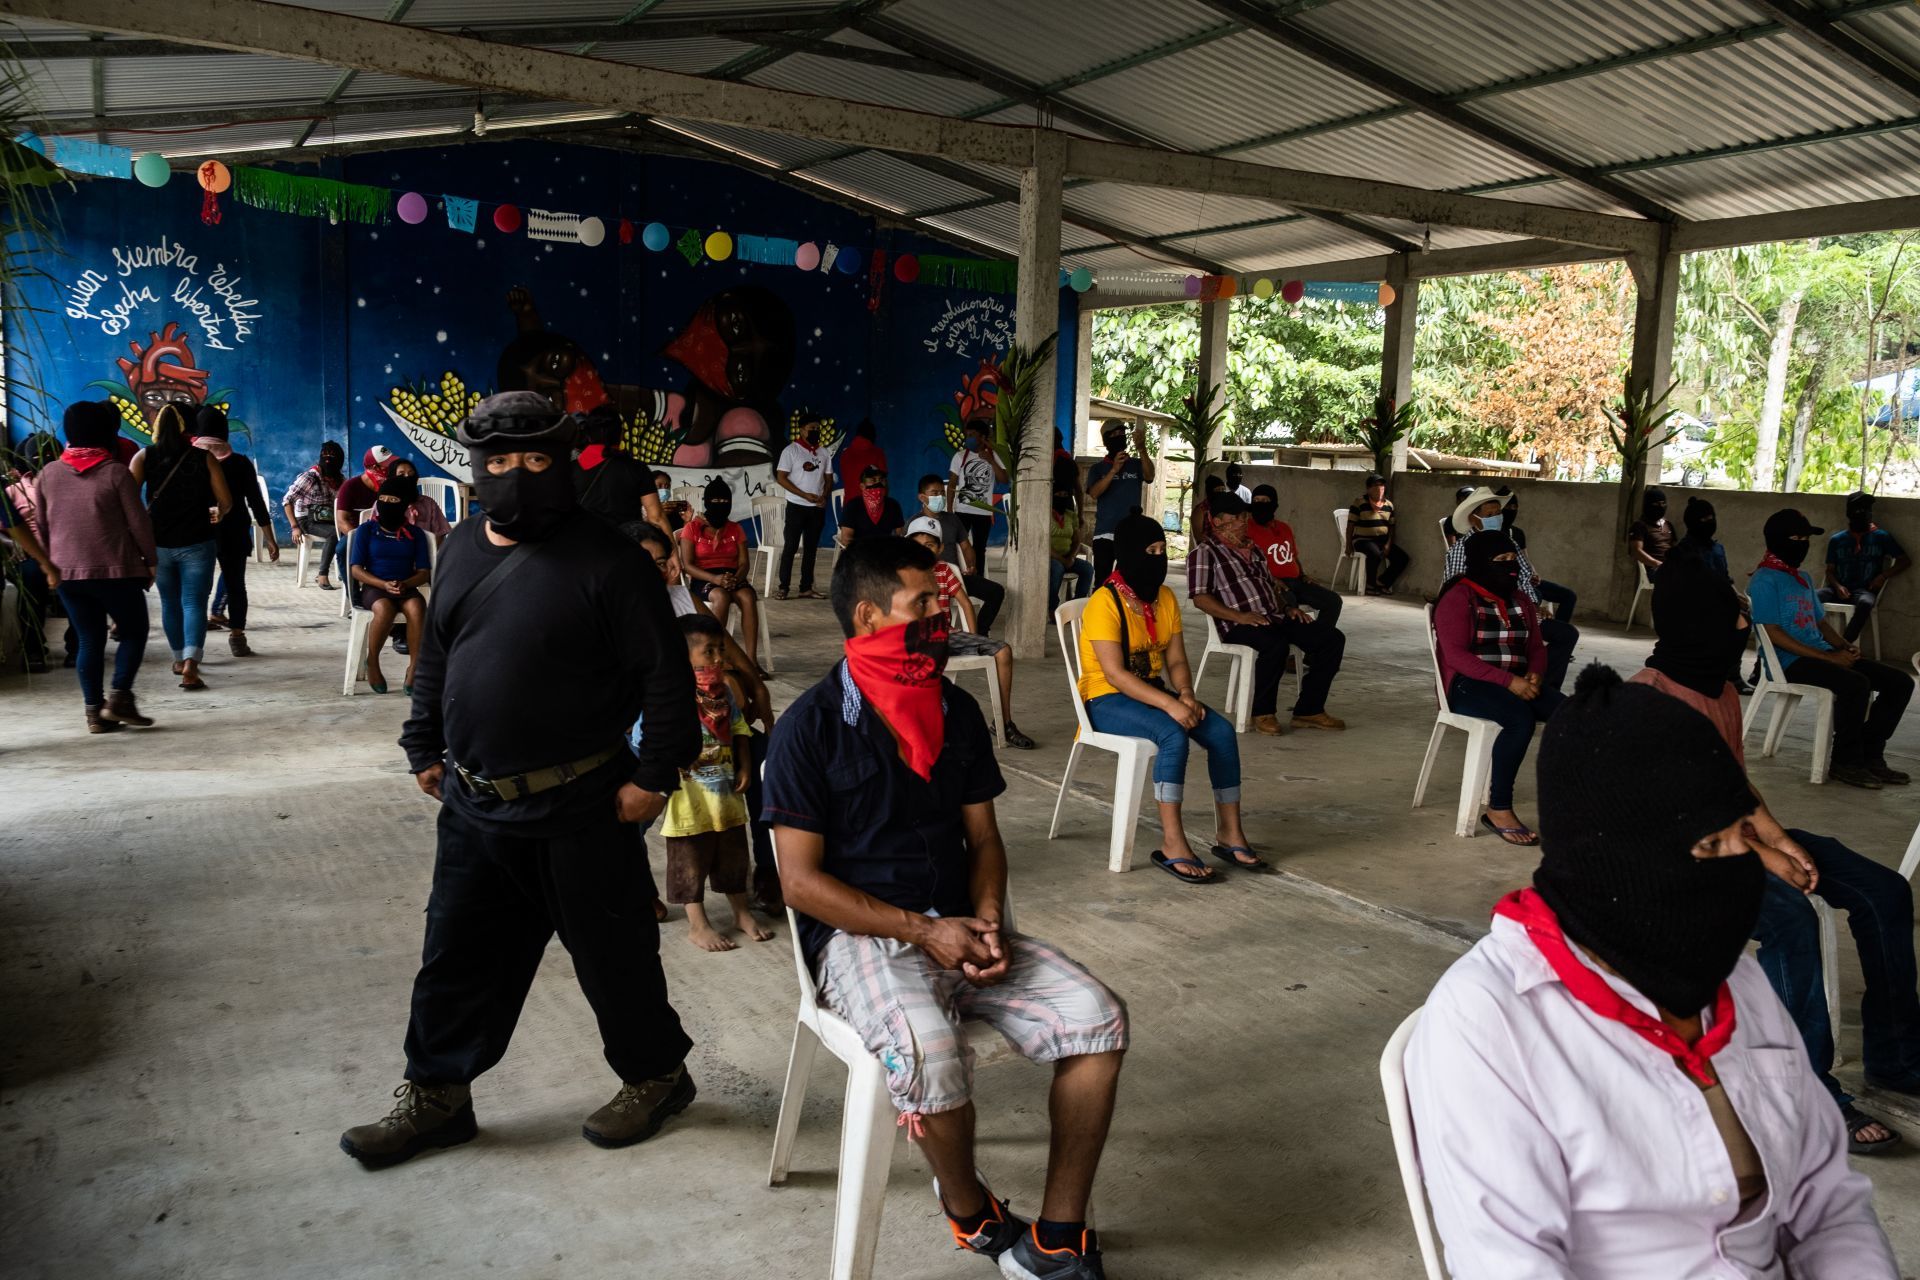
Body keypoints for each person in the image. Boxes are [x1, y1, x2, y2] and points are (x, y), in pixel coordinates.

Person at [1407, 664, 1898, 1278]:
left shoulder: (1734, 980)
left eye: (1741, 837)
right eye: (1708, 846)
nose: (1739, 867)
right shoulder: (1487, 1021)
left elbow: (1829, 1210)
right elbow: (1512, 1264)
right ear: (1613, 854)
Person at [342, 391, 699, 1169]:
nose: (517, 477)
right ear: (476, 469)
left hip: (583, 801)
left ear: (564, 461)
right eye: (498, 463)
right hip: (474, 801)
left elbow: (666, 679)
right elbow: (437, 652)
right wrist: (421, 741)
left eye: (537, 460)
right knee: (455, 955)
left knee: (614, 955)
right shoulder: (464, 545)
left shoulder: (611, 562)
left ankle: (658, 1075)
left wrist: (654, 778)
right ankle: (438, 1096)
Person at [763, 536, 1127, 1279]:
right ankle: (973, 1213)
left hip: (962, 925)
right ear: (868, 616)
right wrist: (923, 931)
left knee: (1099, 1020)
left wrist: (986, 919)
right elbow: (799, 884)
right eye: (923, 604)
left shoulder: (954, 710)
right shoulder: (810, 728)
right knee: (929, 1056)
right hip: (865, 936)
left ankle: (1057, 1238)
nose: (943, 615)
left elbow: (985, 839)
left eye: (941, 599)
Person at [1633, 551, 1920, 1154]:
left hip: (1741, 834)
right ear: (1692, 622)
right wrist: (1769, 859)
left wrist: (1781, 839)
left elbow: (1732, 784)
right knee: (1793, 919)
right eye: (1730, 616)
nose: (1743, 626)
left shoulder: (1717, 686)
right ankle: (1805, 1090)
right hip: (1686, 859)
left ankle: (1896, 1056)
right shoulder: (1648, 701)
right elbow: (1680, 820)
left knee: (1885, 892)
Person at [1078, 512, 1259, 883]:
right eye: (1150, 550)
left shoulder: (1163, 598)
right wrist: (1170, 704)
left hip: (1152, 693)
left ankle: (1229, 833)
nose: (1158, 558)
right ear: (1129, 554)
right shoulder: (1104, 602)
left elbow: (1175, 659)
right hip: (1106, 700)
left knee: (1221, 732)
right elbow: (1116, 674)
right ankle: (1174, 843)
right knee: (1172, 734)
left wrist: (1187, 694)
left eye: (1162, 549)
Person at [627, 521, 781, 915]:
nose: (657, 573)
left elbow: (726, 648)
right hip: (648, 730)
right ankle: (633, 881)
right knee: (629, 799)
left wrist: (757, 690)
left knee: (767, 766)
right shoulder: (610, 612)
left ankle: (768, 869)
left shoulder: (679, 599)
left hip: (707, 726)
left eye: (662, 562)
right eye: (643, 563)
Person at [1748, 507, 1912, 789]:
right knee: (1855, 684)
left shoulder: (1802, 579)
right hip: (1789, 662)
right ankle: (1845, 761)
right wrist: (1828, 658)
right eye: (1797, 539)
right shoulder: (1765, 580)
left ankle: (1870, 754)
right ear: (1777, 540)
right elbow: (1773, 633)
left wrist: (1844, 647)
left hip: (1820, 653)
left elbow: (1820, 623)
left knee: (1900, 682)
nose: (1803, 545)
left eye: (1805, 539)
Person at [1431, 530, 1562, 845]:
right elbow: (1457, 657)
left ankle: (1574, 800)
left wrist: (1534, 674)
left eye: (1513, 559)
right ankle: (1499, 809)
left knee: (1572, 714)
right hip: (1468, 685)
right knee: (1519, 719)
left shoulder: (1519, 599)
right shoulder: (1458, 597)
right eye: (1500, 560)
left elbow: (1535, 646)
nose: (1510, 566)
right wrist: (1509, 682)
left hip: (1516, 680)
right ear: (1479, 562)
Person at [34, 401, 156, 732]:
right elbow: (139, 524)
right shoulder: (116, 472)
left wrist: (49, 565)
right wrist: (151, 561)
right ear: (105, 431)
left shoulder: (48, 474)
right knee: (133, 631)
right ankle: (119, 699)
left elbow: (40, 527)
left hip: (67, 574)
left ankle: (93, 713)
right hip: (116, 570)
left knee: (89, 639)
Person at [1189, 491, 1347, 735]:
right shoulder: (1205, 553)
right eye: (1237, 516)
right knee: (1276, 645)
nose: (1243, 521)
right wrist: (1239, 616)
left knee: (1332, 639)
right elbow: (1200, 598)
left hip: (1273, 616)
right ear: (1217, 521)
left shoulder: (1254, 550)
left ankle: (1308, 710)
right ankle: (1263, 713)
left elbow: (1269, 587)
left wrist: (1287, 608)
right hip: (1237, 623)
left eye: (1244, 516)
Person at [659, 614, 773, 952]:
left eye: (720, 650)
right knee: (689, 863)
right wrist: (677, 755)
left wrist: (746, 766)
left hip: (726, 794)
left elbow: (739, 730)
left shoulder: (722, 693)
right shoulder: (672, 696)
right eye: (709, 652)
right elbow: (649, 735)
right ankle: (698, 924)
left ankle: (741, 912)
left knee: (734, 857)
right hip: (688, 799)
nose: (719, 659)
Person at [906, 515, 1036, 750]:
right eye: (916, 546)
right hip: (919, 638)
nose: (923, 551)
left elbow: (965, 604)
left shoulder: (944, 571)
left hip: (949, 634)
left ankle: (1003, 723)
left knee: (1003, 651)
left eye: (929, 546)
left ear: (940, 548)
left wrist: (974, 638)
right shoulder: (902, 575)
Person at [131, 403, 231, 692]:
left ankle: (178, 659)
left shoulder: (142, 456)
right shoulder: (204, 458)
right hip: (198, 542)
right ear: (189, 428)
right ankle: (191, 663)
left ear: (157, 426)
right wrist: (217, 513)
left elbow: (128, 500)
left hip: (158, 544)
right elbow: (225, 501)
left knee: (170, 602)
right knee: (194, 603)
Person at [1443, 487, 1578, 693]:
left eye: (1498, 513)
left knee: (1566, 634)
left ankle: (1541, 685)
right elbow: (1455, 590)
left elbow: (1523, 579)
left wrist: (1533, 605)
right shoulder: (1462, 549)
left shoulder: (1509, 542)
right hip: (1485, 618)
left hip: (1518, 612)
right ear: (1474, 518)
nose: (1496, 518)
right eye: (1490, 515)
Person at [193, 408, 277, 658]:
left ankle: (192, 648)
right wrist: (269, 538)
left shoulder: (190, 459)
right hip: (235, 531)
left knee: (197, 590)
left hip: (199, 532)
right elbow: (256, 502)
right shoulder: (240, 462)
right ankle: (237, 636)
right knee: (236, 584)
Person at [348, 475, 433, 695]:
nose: (386, 504)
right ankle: (373, 661)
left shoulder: (415, 534)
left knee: (417, 607)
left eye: (392, 500)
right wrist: (383, 584)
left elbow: (424, 572)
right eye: (382, 498)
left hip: (406, 585)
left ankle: (414, 668)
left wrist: (404, 584)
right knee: (384, 609)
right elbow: (356, 569)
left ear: (404, 504)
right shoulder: (367, 530)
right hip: (375, 586)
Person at [3, 430, 71, 672]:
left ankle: (34, 652)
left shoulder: (15, 491)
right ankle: (74, 649)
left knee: (31, 602)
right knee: (77, 600)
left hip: (35, 558)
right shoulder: (71, 484)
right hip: (63, 558)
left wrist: (15, 544)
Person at [676, 478, 761, 667]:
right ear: (707, 502)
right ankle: (717, 655)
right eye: (716, 502)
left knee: (747, 596)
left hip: (732, 576)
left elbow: (744, 562)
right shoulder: (692, 528)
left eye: (725, 502)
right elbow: (688, 565)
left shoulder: (735, 528)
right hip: (704, 576)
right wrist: (715, 579)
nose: (721, 506)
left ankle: (752, 661)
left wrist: (735, 579)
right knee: (720, 596)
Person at [914, 473, 1002, 633]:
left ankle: (980, 633)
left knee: (996, 592)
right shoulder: (913, 525)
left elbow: (966, 547)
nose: (940, 496)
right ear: (922, 497)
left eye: (942, 492)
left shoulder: (952, 519)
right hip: (927, 580)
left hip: (955, 578)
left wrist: (971, 566)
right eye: (934, 493)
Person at [1245, 482, 1341, 628]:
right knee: (1290, 608)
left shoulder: (1284, 528)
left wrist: (1303, 575)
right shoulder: (1247, 529)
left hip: (1296, 581)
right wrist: (1272, 579)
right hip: (1272, 584)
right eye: (1256, 501)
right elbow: (1246, 563)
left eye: (1265, 501)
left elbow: (1293, 556)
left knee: (1333, 601)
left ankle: (1319, 643)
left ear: (1274, 504)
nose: (1260, 505)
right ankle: (1291, 646)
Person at [1819, 490, 1907, 644]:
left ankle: (1843, 644)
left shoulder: (1881, 537)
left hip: (1864, 591)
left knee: (1866, 603)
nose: (1863, 513)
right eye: (1858, 509)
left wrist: (1883, 576)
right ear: (1849, 513)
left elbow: (1904, 560)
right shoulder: (1837, 540)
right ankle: (1816, 641)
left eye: (1866, 509)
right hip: (1837, 589)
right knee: (1811, 597)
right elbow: (1830, 571)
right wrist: (1838, 586)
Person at [574, 406, 673, 537]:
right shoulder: (637, 468)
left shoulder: (570, 468)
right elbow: (656, 517)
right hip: (625, 546)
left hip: (583, 545)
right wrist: (673, 553)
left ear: (588, 434)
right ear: (621, 434)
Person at [774, 411, 834, 600]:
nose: (815, 431)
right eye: (811, 428)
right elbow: (781, 478)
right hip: (796, 506)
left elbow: (828, 477)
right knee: (790, 547)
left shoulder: (824, 452)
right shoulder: (790, 451)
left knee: (811, 549)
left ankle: (806, 587)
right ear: (801, 430)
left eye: (817, 428)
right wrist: (803, 495)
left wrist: (824, 496)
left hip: (816, 508)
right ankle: (783, 587)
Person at [1086, 419, 1153, 583]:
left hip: (1131, 533)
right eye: (1114, 434)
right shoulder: (1097, 469)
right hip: (1105, 534)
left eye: (1122, 433)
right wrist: (1114, 469)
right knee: (1103, 581)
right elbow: (1094, 493)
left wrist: (1142, 449)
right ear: (1106, 440)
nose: (1119, 436)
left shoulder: (1136, 464)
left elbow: (1150, 476)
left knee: (1127, 580)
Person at [945, 419, 1005, 577]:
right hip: (962, 510)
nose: (968, 438)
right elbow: (952, 485)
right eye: (967, 435)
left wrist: (991, 461)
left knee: (980, 548)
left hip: (983, 512)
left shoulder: (993, 455)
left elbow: (1004, 479)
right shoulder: (960, 456)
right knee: (958, 546)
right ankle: (958, 578)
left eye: (972, 435)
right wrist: (950, 510)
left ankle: (978, 582)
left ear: (982, 437)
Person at [282, 441, 345, 590]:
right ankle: (322, 575)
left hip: (328, 518)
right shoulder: (310, 477)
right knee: (334, 535)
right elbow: (287, 501)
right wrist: (294, 527)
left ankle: (345, 570)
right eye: (325, 456)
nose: (328, 460)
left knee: (351, 532)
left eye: (332, 457)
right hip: (307, 520)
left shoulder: (339, 479)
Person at [334, 444, 393, 586]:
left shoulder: (392, 486)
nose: (390, 469)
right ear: (373, 467)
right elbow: (341, 520)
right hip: (357, 533)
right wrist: (361, 538)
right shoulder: (350, 486)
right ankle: (354, 599)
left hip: (387, 532)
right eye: (386, 465)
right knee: (342, 550)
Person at [1345, 473, 1407, 595]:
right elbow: (1350, 525)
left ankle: (1382, 582)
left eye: (1381, 485)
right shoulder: (1359, 502)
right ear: (1368, 489)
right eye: (1375, 485)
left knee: (1402, 558)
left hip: (1382, 540)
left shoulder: (1389, 505)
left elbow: (1392, 526)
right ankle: (1370, 585)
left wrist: (1389, 544)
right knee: (1375, 554)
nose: (1379, 488)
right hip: (1362, 540)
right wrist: (1348, 544)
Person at [1048, 478, 1093, 604]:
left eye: (1065, 495)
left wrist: (1072, 557)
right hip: (1050, 558)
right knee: (1057, 569)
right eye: (1059, 494)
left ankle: (1076, 604)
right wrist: (1062, 560)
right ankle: (1052, 606)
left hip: (1067, 557)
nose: (1062, 498)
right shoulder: (1045, 514)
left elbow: (1077, 540)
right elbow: (1043, 544)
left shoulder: (1071, 515)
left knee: (1088, 569)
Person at [834, 463, 903, 544]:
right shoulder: (853, 506)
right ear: (862, 486)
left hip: (886, 551)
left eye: (881, 480)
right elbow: (846, 539)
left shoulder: (893, 505)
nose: (878, 484)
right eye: (873, 480)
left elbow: (900, 534)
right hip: (860, 552)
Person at [1626, 484, 1674, 578]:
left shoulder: (1667, 524)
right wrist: (1657, 564)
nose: (1660, 506)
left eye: (1663, 503)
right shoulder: (1639, 526)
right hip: (1653, 569)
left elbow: (1674, 547)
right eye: (1656, 504)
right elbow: (1636, 551)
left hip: (1670, 567)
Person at [835, 417, 885, 494]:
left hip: (850, 502)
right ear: (873, 435)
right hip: (871, 503)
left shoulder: (845, 454)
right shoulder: (877, 453)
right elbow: (883, 482)